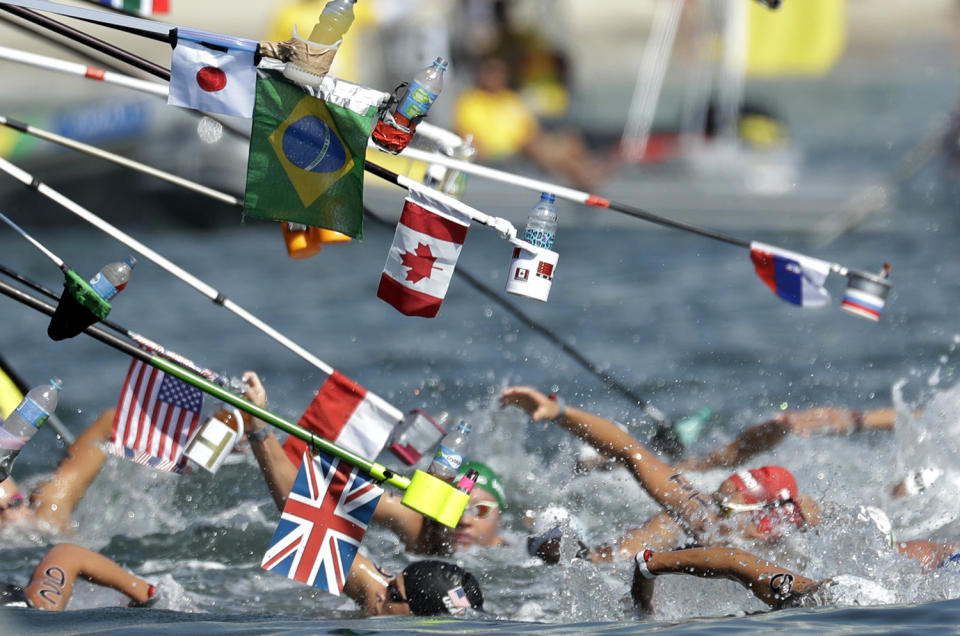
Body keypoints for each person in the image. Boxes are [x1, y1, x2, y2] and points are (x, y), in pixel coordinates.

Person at [240, 371, 485, 616]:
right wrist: (258, 428)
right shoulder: (379, 592)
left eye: (394, 594)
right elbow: (305, 514)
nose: (379, 591)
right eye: (390, 580)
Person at [499, 386, 821, 564]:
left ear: (766, 525)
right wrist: (560, 412)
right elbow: (630, 451)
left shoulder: (799, 545)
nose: (713, 514)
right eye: (718, 500)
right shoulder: (697, 515)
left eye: (726, 508)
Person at [453, 56, 614, 191]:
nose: (496, 78)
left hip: (526, 144)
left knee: (569, 139)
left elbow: (531, 129)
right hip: (502, 152)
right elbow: (470, 137)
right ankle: (582, 174)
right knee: (535, 146)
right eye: (491, 73)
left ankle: (583, 168)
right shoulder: (470, 101)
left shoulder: (510, 99)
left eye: (500, 73)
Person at [0, 408, 115, 534]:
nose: (10, 517)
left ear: (23, 499)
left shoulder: (50, 504)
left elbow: (109, 422)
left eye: (15, 503)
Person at [372, 460, 507, 556]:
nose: (464, 520)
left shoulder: (515, 553)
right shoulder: (424, 536)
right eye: (454, 506)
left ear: (499, 517)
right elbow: (366, 494)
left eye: (481, 509)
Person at [0, 542, 160, 611]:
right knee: (66, 553)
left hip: (27, 611)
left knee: (65, 554)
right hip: (32, 611)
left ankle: (145, 596)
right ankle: (147, 595)